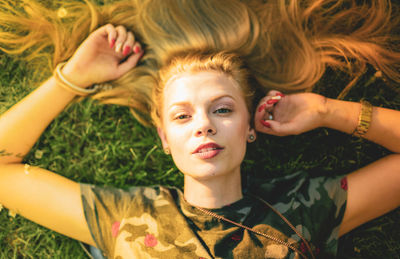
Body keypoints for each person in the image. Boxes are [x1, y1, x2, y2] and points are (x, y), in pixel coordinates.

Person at [0, 0, 399, 258]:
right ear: (164, 138)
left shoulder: (303, 208)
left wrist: (328, 111)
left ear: (249, 127)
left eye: (222, 110)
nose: (204, 125)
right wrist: (74, 76)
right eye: (181, 116)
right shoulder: (125, 216)